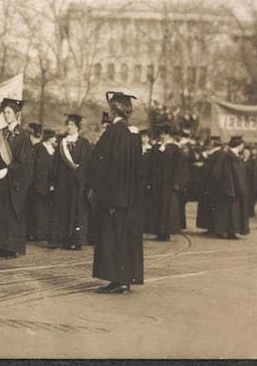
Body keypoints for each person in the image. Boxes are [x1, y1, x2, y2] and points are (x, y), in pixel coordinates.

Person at [86, 91, 144, 294]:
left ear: (113, 110)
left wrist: (100, 191)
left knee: (112, 237)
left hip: (113, 197)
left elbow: (102, 164)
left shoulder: (113, 132)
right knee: (126, 237)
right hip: (130, 196)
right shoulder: (134, 132)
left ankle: (116, 279)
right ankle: (125, 279)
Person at [0, 98, 32, 259]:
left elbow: (24, 161)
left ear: (17, 114)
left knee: (11, 213)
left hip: (13, 181)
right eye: (4, 112)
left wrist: (8, 170)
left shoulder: (23, 136)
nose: (6, 115)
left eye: (9, 112)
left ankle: (10, 248)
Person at [50, 114, 92, 250]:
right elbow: (56, 164)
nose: (69, 127)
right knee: (64, 208)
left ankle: (78, 239)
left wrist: (81, 177)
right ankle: (65, 239)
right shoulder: (62, 143)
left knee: (77, 211)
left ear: (78, 127)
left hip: (77, 182)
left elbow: (87, 162)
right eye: (67, 124)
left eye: (72, 125)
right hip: (63, 182)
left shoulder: (84, 143)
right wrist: (54, 180)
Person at [207, 135, 250, 239]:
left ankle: (227, 231)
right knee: (230, 212)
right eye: (242, 145)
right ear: (239, 145)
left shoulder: (229, 155)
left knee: (228, 212)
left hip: (229, 188)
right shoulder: (231, 156)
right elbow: (235, 174)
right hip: (231, 189)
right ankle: (228, 231)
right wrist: (240, 188)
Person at [149, 124, 183, 241]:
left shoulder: (174, 148)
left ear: (169, 135)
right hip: (157, 182)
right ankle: (159, 232)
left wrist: (176, 182)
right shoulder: (155, 148)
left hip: (168, 183)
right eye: (161, 134)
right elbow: (151, 166)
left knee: (167, 207)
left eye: (165, 134)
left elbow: (178, 167)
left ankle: (166, 232)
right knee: (158, 206)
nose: (163, 136)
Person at [27, 128, 57, 242]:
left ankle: (44, 232)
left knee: (45, 210)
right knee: (36, 210)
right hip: (38, 184)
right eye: (54, 137)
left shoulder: (52, 149)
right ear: (50, 138)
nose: (55, 139)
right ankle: (36, 233)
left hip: (48, 184)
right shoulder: (38, 148)